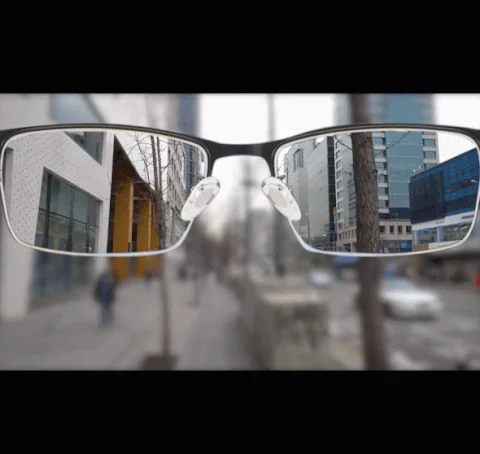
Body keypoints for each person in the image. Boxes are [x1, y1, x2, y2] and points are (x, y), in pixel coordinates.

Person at [94, 260, 118, 328]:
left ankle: (110, 322)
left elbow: (115, 285)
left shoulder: (113, 275)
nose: (108, 267)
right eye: (107, 266)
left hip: (109, 297)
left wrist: (113, 282)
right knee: (103, 310)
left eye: (109, 266)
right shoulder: (102, 276)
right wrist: (96, 294)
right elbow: (98, 285)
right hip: (103, 296)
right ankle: (103, 323)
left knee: (109, 310)